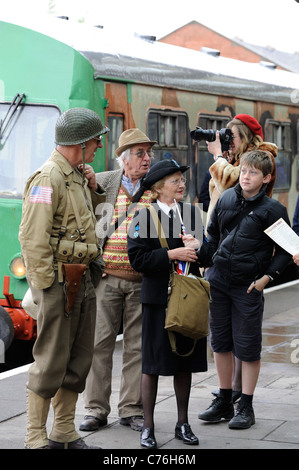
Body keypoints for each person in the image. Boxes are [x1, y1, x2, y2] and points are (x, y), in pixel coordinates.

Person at [18, 107, 108, 449]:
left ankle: (64, 430)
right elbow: (33, 238)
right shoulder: (48, 178)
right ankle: (35, 436)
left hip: (81, 280)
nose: (99, 146)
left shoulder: (75, 176)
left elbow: (89, 222)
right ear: (80, 143)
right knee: (51, 359)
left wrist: (94, 187)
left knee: (79, 357)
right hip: (57, 282)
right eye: (96, 141)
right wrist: (44, 289)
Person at [198, 150, 292, 429]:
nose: (246, 176)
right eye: (243, 171)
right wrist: (205, 262)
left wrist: (266, 279)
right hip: (219, 282)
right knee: (220, 343)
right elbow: (213, 234)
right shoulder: (226, 198)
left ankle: (246, 406)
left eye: (253, 173)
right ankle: (225, 400)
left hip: (248, 287)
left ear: (266, 178)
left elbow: (287, 251)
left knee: (248, 347)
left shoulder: (274, 210)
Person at [127, 159, 210, 449]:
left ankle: (182, 424)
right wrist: (172, 253)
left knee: (184, 362)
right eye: (175, 180)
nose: (181, 184)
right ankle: (147, 427)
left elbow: (209, 255)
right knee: (151, 364)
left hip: (188, 301)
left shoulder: (191, 214)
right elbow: (137, 260)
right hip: (158, 301)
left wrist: (199, 247)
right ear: (160, 187)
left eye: (181, 180)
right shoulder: (142, 216)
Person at [79, 129, 156, 433]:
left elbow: (176, 219)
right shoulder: (105, 180)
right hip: (106, 278)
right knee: (98, 344)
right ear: (124, 159)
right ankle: (96, 409)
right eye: (139, 153)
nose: (147, 158)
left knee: (137, 347)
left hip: (142, 280)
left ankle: (132, 409)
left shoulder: (156, 184)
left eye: (148, 152)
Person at [205, 113, 278, 400]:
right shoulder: (234, 161)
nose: (226, 141)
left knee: (246, 341)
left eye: (231, 136)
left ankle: (240, 395)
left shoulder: (260, 159)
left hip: (248, 264)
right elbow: (217, 217)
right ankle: (228, 393)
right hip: (223, 260)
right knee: (221, 338)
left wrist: (217, 157)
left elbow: (239, 185)